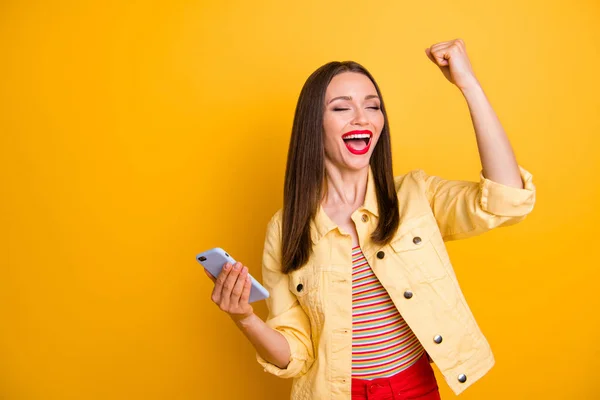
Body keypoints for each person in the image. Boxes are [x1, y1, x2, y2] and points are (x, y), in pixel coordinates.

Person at [204, 38, 536, 400]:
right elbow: (295, 356)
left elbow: (507, 201)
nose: (362, 117)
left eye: (373, 106)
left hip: (415, 389)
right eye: (342, 108)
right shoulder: (285, 229)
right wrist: (245, 318)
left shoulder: (416, 195)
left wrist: (468, 85)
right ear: (314, 124)